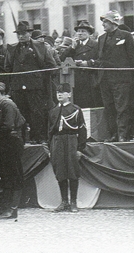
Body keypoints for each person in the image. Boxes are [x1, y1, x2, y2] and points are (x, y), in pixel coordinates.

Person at [89, 10, 134, 142]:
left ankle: (123, 135)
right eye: (103, 22)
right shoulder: (101, 38)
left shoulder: (126, 36)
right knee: (109, 107)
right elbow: (101, 58)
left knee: (122, 107)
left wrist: (128, 74)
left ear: (114, 22)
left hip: (121, 78)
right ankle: (114, 134)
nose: (103, 24)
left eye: (106, 22)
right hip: (105, 79)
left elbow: (133, 57)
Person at [4, 21, 57, 143]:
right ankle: (23, 138)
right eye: (19, 34)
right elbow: (7, 67)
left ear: (30, 33)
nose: (21, 36)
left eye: (23, 33)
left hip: (36, 87)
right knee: (21, 113)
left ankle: (38, 138)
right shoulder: (12, 49)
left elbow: (51, 66)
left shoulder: (40, 47)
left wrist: (40, 79)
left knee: (36, 113)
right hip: (18, 87)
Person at [0, 82, 26, 219]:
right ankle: (4, 207)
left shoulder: (6, 104)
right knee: (5, 175)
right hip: (8, 142)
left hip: (12, 142)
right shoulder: (1, 104)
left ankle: (12, 209)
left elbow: (8, 125)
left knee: (13, 175)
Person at [48, 83, 87, 213]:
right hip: (57, 142)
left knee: (72, 170)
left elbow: (82, 130)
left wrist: (80, 148)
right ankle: (64, 201)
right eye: (58, 92)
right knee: (60, 171)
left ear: (69, 94)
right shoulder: (53, 111)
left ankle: (73, 202)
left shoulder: (75, 110)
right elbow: (50, 132)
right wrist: (50, 148)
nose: (59, 94)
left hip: (71, 141)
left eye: (63, 92)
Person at [60, 20, 101, 109]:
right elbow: (62, 59)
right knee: (79, 104)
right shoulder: (75, 46)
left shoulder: (96, 45)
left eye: (83, 31)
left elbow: (101, 61)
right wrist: (72, 48)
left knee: (91, 105)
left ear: (89, 33)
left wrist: (87, 63)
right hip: (77, 80)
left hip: (91, 79)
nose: (79, 34)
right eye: (78, 31)